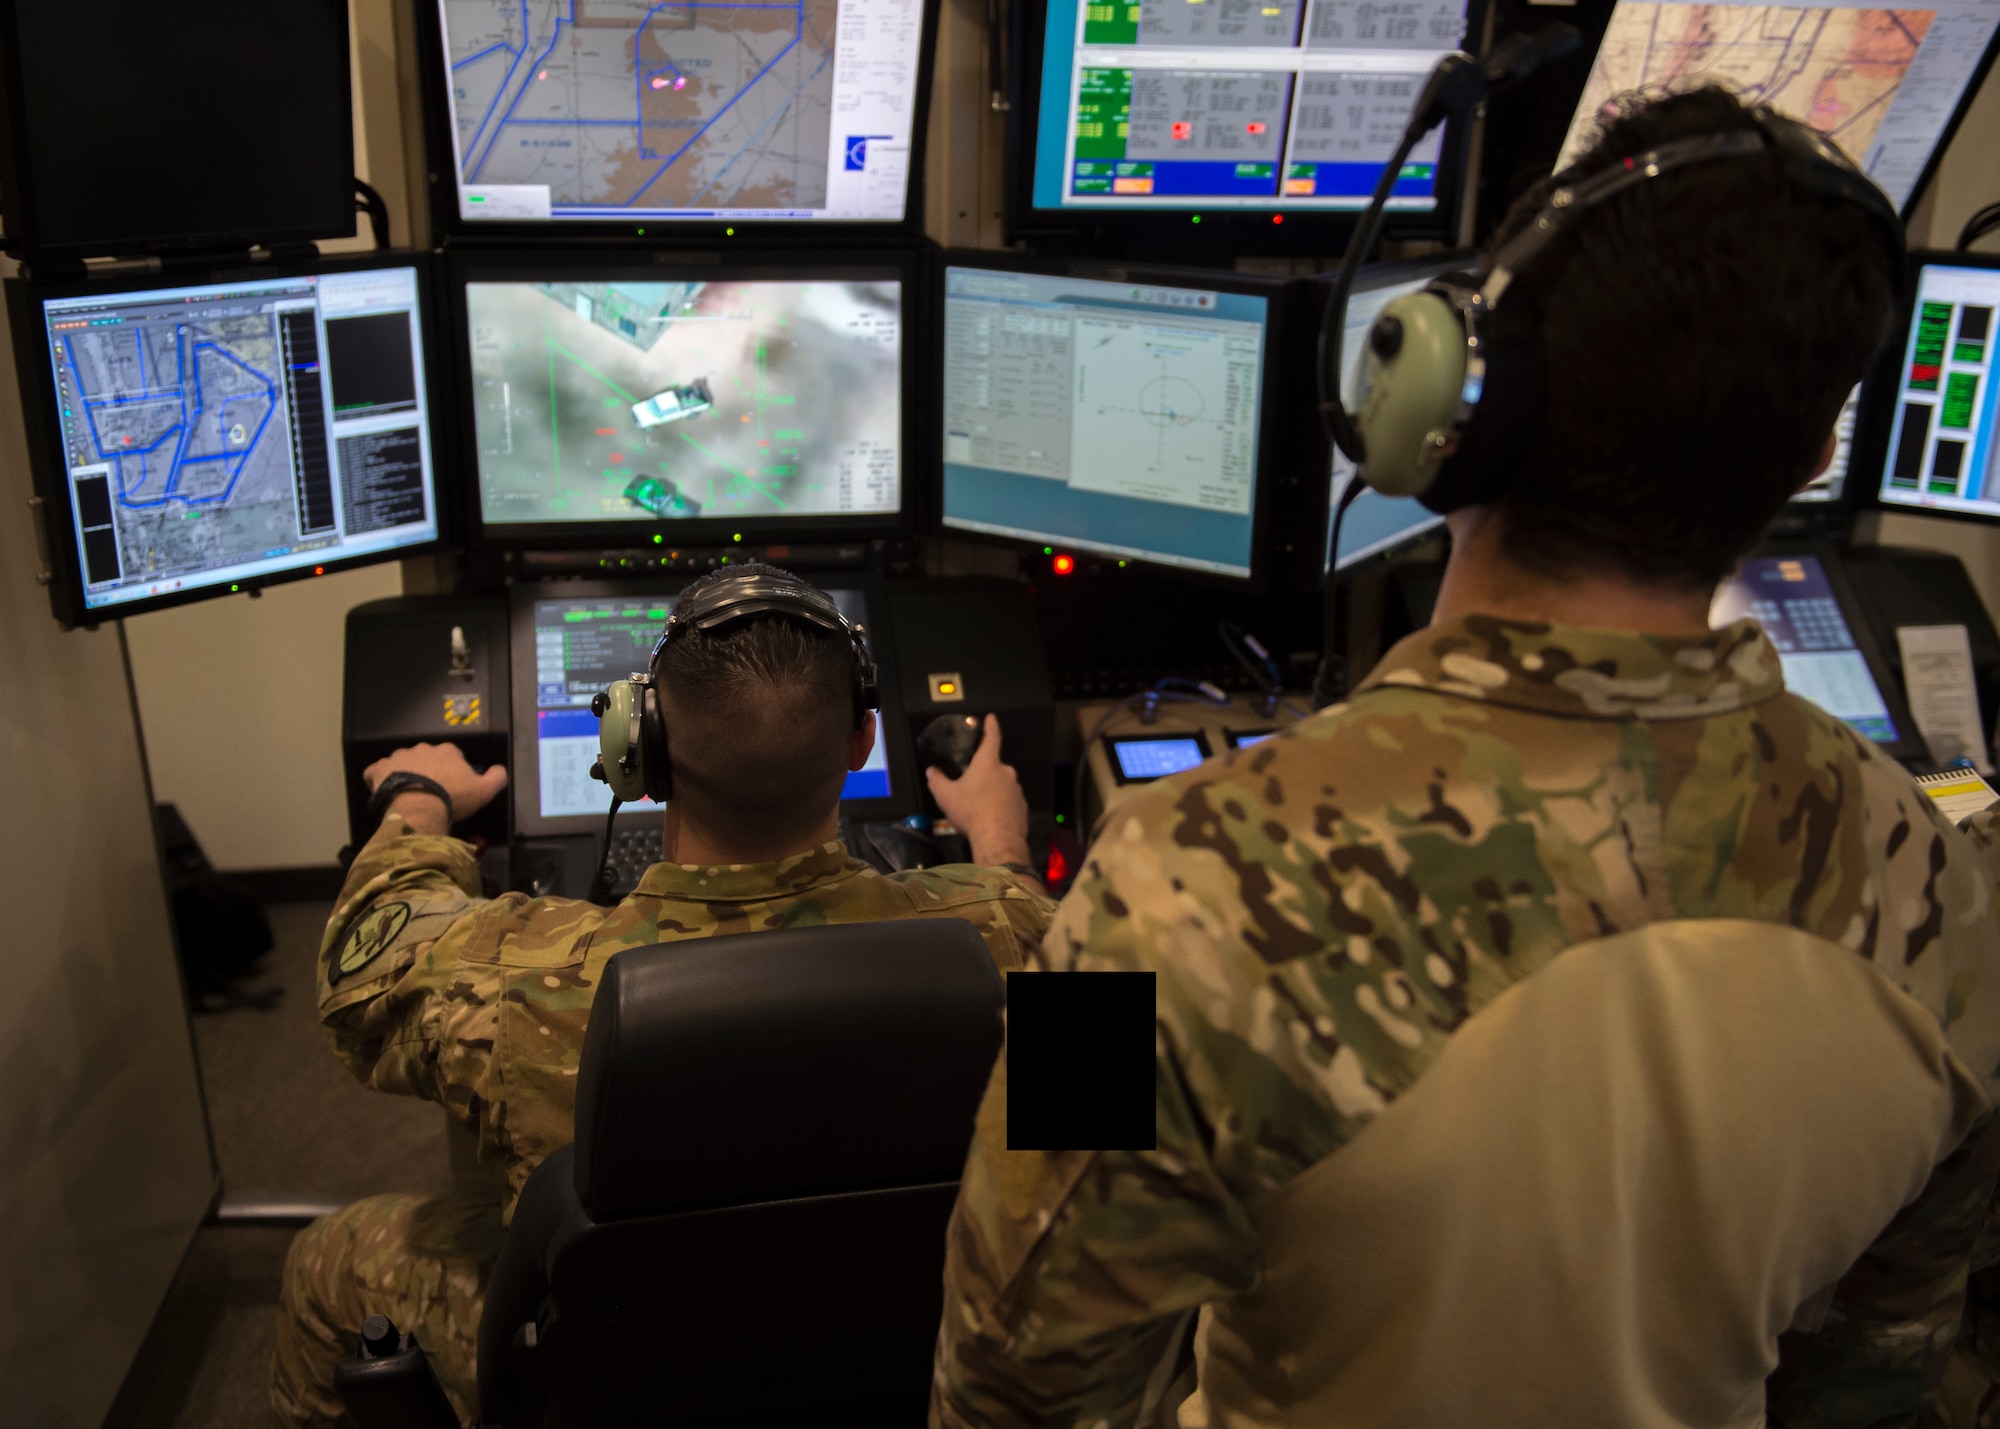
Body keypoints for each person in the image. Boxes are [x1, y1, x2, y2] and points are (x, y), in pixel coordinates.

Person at [932, 88, 2000, 1428]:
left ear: (1446, 395)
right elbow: (1879, 1370)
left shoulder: (1164, 879)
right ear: (1811, 455)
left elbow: (1008, 1377)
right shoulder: (1943, 902)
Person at [271, 563, 1052, 1428]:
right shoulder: (1018, 934)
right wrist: (1000, 835)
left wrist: (415, 803)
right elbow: (1119, 1148)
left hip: (632, 1372)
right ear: (862, 742)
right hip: (909, 1355)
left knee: (324, 1263)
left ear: (638, 751)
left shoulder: (509, 975)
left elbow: (356, 975)